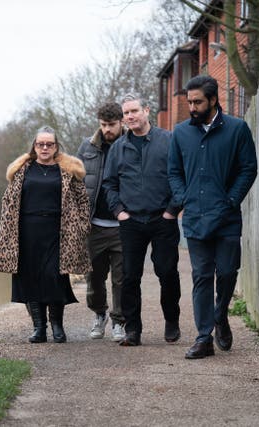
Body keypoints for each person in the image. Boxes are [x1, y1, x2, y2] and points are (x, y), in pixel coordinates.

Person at [167, 75, 257, 359]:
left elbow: (248, 169)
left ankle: (220, 315)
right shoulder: (180, 133)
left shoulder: (237, 129)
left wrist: (231, 200)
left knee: (228, 272)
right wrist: (183, 198)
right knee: (201, 276)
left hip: (227, 217)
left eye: (198, 102)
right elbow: (174, 172)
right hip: (195, 217)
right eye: (189, 101)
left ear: (214, 100)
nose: (192, 107)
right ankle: (204, 337)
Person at [0, 126, 91, 344]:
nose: (45, 147)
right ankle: (39, 328)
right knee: (30, 278)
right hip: (27, 231)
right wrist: (7, 228)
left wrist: (83, 226)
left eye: (49, 144)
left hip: (59, 231)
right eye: (41, 144)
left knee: (54, 277)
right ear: (34, 146)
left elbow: (83, 201)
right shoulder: (22, 170)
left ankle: (57, 326)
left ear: (56, 146)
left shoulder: (67, 170)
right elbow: (8, 201)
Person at [102, 93, 182, 347]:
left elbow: (181, 177)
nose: (130, 116)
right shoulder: (118, 148)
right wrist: (119, 213)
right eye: (126, 113)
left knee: (167, 272)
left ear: (147, 110)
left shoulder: (168, 141)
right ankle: (132, 330)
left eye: (134, 111)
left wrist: (172, 210)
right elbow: (109, 184)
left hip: (163, 219)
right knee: (129, 276)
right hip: (131, 222)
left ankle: (172, 321)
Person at [77, 102, 126, 342]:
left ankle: (119, 321)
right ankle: (100, 314)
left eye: (112, 125)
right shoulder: (87, 147)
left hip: (122, 225)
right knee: (94, 278)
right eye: (104, 125)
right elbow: (75, 181)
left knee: (121, 278)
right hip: (93, 226)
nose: (107, 129)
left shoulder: (130, 144)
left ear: (121, 122)